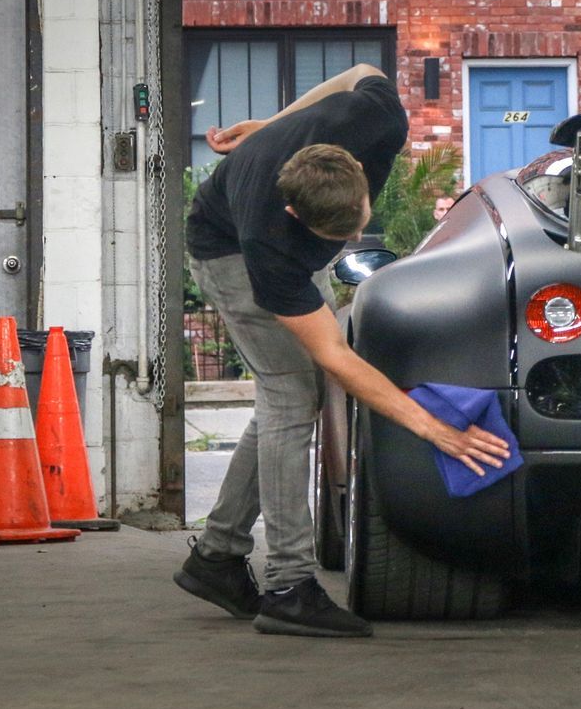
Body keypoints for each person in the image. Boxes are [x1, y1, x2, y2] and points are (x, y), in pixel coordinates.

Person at [174, 64, 509, 638]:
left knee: (292, 400)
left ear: (356, 165)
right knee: (290, 399)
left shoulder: (374, 116)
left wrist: (271, 126)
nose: (358, 239)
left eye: (359, 224)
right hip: (224, 250)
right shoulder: (269, 248)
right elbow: (337, 358)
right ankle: (287, 585)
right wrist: (436, 431)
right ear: (295, 216)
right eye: (341, 238)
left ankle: (217, 557)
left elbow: (360, 71)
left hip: (284, 208)